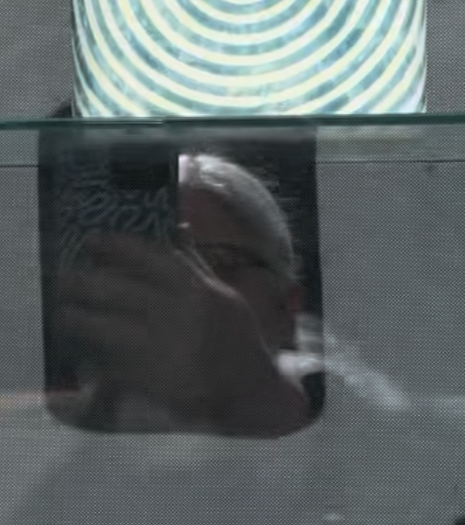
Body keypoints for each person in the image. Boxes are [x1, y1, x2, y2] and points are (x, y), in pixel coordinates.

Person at [48, 151, 313, 437]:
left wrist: (247, 386)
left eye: (216, 261)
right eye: (142, 264)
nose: (182, 287)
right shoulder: (36, 432)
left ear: (288, 308)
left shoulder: (334, 404)